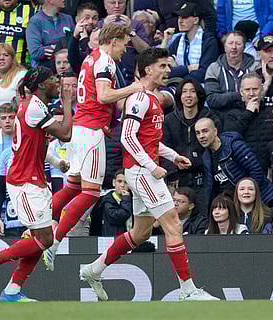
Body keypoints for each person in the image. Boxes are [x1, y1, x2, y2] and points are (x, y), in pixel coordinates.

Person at [79, 48, 219, 302]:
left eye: (168, 66)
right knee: (174, 225)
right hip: (142, 172)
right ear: (147, 70)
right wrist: (152, 166)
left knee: (141, 233)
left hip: (143, 170)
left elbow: (149, 141)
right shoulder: (139, 98)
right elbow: (127, 137)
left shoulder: (152, 98)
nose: (167, 71)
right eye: (163, 66)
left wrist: (172, 155)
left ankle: (93, 269)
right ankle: (187, 291)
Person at [45, 23, 144, 271]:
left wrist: (103, 120)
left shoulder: (90, 58)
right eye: (123, 44)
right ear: (114, 41)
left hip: (81, 128)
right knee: (90, 193)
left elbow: (92, 99)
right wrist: (133, 87)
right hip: (90, 133)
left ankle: (42, 226)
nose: (124, 50)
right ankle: (54, 242)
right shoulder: (106, 62)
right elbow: (102, 96)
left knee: (72, 188)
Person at [0, 66, 74, 302]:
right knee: (44, 239)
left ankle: (12, 291)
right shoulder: (35, 107)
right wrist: (67, 102)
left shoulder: (32, 105)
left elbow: (34, 144)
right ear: (40, 84)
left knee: (39, 239)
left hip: (34, 179)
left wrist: (57, 162)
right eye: (52, 79)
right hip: (24, 182)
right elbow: (66, 134)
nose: (57, 82)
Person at [163, 79, 220, 220]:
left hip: (204, 178)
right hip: (177, 179)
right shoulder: (170, 120)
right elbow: (164, 149)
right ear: (179, 96)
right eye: (184, 92)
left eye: (193, 91)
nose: (188, 95)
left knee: (203, 217)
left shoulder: (210, 117)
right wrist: (173, 171)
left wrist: (197, 163)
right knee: (175, 219)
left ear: (199, 95)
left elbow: (216, 147)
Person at [195, 117, 273, 213]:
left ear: (215, 131)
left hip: (261, 200)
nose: (201, 136)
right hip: (234, 206)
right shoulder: (206, 156)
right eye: (198, 133)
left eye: (205, 131)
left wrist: (246, 196)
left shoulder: (233, 145)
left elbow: (256, 171)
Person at [223, 72, 273, 171]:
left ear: (262, 90)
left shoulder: (272, 112)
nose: (251, 93)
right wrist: (248, 113)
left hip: (271, 169)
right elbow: (230, 137)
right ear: (241, 92)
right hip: (243, 169)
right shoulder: (232, 114)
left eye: (255, 89)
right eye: (247, 90)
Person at [161, 2, 218, 84]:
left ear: (196, 20)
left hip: (201, 87)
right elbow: (163, 69)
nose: (180, 21)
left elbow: (203, 73)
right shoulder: (178, 40)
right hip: (178, 86)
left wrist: (178, 71)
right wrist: (188, 68)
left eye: (184, 17)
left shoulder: (208, 41)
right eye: (179, 17)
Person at [98, 0, 150, 84]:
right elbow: (93, 49)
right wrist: (104, 28)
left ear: (126, 4)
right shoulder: (99, 24)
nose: (117, 6)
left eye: (121, 2)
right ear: (105, 5)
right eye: (112, 3)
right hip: (104, 72)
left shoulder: (136, 24)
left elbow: (145, 51)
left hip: (131, 75)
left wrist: (131, 31)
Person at [204, 31, 258, 113]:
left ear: (244, 47)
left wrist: (226, 98)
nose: (234, 47)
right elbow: (211, 99)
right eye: (230, 43)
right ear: (224, 47)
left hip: (251, 112)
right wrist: (239, 96)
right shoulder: (214, 68)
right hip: (222, 116)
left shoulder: (255, 66)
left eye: (238, 44)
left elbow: (259, 96)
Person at [26, 0, 74, 68]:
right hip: (45, 71)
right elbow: (35, 52)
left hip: (68, 68)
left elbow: (74, 45)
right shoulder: (35, 21)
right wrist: (60, 48)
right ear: (50, 0)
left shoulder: (68, 19)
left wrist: (53, 48)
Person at [98, 168, 132, 237]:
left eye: (125, 182)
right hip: (113, 240)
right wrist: (125, 199)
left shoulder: (132, 199)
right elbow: (119, 218)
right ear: (113, 182)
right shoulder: (107, 201)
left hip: (131, 239)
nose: (122, 185)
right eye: (119, 181)